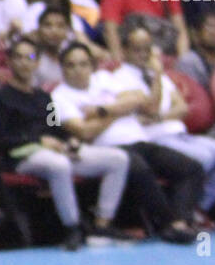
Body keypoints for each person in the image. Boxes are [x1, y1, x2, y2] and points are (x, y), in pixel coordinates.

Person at [0, 37, 130, 251]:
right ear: (10, 62)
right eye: (19, 57)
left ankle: (102, 223)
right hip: (21, 157)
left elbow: (55, 129)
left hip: (56, 151)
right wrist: (38, 141)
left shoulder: (45, 98)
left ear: (37, 63)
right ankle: (72, 227)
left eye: (30, 57)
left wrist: (68, 142)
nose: (25, 62)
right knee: (58, 164)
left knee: (118, 159)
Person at [51, 42, 202, 244]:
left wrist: (100, 111)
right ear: (62, 69)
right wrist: (119, 110)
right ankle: (169, 224)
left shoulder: (103, 78)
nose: (78, 70)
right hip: (106, 149)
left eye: (83, 64)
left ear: (92, 66)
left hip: (139, 140)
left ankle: (181, 220)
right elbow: (84, 132)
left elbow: (140, 99)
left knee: (191, 168)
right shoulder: (58, 97)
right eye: (71, 65)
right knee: (139, 168)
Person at [111, 26, 215, 219]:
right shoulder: (118, 78)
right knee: (203, 157)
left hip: (180, 135)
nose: (143, 54)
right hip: (155, 141)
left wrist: (159, 117)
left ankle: (198, 207)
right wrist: (158, 77)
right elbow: (150, 107)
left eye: (147, 49)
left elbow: (182, 108)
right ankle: (183, 213)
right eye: (137, 49)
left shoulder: (157, 75)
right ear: (124, 50)